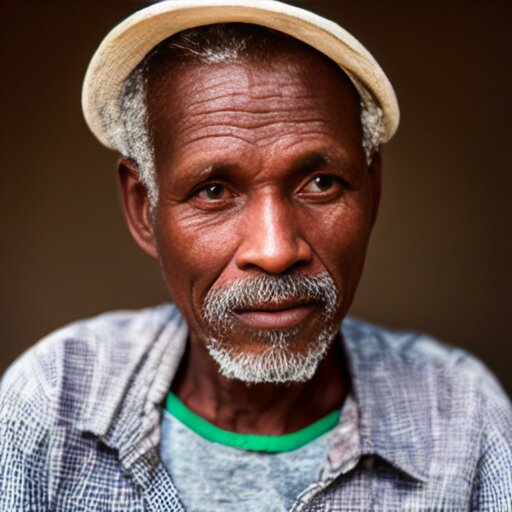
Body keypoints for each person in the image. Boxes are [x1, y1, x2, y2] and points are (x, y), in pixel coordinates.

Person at [1, 0, 510, 510]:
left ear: (372, 192)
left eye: (321, 183)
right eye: (214, 191)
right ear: (143, 207)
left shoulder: (463, 417)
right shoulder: (52, 399)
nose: (274, 250)